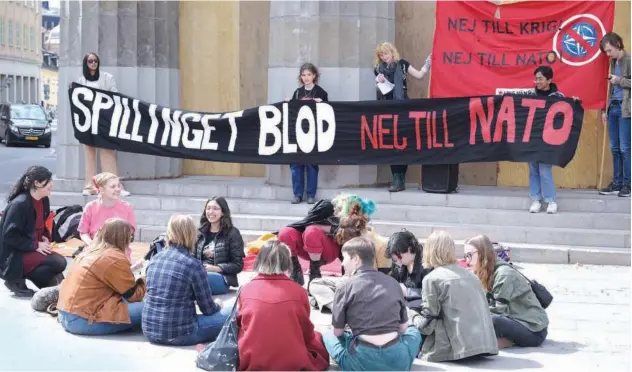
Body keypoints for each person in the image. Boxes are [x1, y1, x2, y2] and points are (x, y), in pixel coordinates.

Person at [322, 237, 422, 371]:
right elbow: (403, 329)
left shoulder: (345, 286)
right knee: (414, 332)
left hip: (360, 360)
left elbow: (338, 332)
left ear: (356, 259)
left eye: (344, 258)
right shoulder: (393, 283)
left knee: (329, 335)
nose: (342, 263)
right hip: (397, 359)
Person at [236, 240, 329, 371]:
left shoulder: (246, 289)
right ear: (287, 263)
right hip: (292, 359)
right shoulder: (299, 291)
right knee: (318, 338)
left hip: (253, 357)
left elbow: (241, 324)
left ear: (259, 260)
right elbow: (306, 332)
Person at [409, 231, 498, 362]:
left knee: (409, 322)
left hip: (455, 349)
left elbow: (427, 326)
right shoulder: (472, 276)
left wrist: (411, 315)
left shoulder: (432, 278)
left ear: (430, 250)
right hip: (485, 345)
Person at [142, 214, 231, 346]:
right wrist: (218, 304)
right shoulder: (193, 265)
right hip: (182, 333)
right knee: (234, 311)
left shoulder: (155, 259)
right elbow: (208, 309)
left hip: (149, 331)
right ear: (192, 235)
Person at [57, 218, 145, 335]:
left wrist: (132, 269)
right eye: (131, 238)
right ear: (123, 238)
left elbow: (105, 277)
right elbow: (134, 296)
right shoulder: (114, 257)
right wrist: (146, 276)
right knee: (153, 308)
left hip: (66, 314)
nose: (130, 242)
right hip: (82, 320)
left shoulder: (90, 250)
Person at [464, 234, 549, 348]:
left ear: (483, 253)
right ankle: (500, 340)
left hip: (533, 330)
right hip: (514, 320)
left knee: (492, 321)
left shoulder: (504, 274)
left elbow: (497, 310)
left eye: (469, 255)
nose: (467, 261)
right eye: (465, 256)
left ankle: (501, 341)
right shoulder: (487, 271)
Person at [374, 42, 431, 192]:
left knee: (403, 142)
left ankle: (400, 178)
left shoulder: (403, 64)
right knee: (392, 144)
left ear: (393, 52)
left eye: (386, 53)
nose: (384, 57)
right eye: (381, 55)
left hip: (403, 107)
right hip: (387, 108)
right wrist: (379, 80)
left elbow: (419, 75)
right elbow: (382, 90)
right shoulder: (378, 70)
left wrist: (427, 64)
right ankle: (396, 178)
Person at [0, 166, 66, 296]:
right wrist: (36, 245)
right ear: (36, 183)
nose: (52, 184)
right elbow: (10, 236)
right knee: (59, 262)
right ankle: (13, 278)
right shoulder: (20, 204)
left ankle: (34, 279)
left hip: (31, 248)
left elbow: (43, 224)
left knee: (58, 283)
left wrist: (45, 238)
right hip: (14, 255)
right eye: (48, 180)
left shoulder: (44, 200)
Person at [76, 52, 130, 197]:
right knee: (89, 153)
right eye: (90, 61)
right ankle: (90, 187)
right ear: (86, 64)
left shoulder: (107, 78)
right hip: (87, 122)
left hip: (104, 121)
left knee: (108, 153)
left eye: (95, 61)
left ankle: (115, 186)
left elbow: (115, 97)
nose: (93, 63)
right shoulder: (81, 81)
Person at [286, 63, 329, 205]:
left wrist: (322, 103)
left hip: (314, 133)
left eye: (309, 75)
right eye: (303, 75)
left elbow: (329, 114)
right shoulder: (298, 92)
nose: (306, 78)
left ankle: (311, 194)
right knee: (295, 164)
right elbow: (291, 113)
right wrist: (289, 103)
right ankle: (297, 194)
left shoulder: (321, 92)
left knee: (311, 164)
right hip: (298, 133)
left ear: (314, 76)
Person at [526, 65, 566, 214]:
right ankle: (536, 200)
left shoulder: (558, 97)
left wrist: (574, 102)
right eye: (535, 78)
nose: (537, 81)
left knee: (544, 169)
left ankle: (550, 200)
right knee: (533, 169)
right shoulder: (530, 95)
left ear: (549, 80)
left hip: (548, 139)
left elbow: (566, 113)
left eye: (540, 78)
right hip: (531, 138)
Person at [277, 199, 341, 286]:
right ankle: (295, 270)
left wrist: (319, 227)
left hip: (329, 251)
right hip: (308, 249)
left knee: (312, 231)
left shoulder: (340, 216)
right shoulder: (311, 219)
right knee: (285, 233)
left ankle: (315, 275)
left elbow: (344, 232)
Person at [599, 32, 631, 198]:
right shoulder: (611, 63)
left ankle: (628, 184)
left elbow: (623, 82)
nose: (608, 54)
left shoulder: (629, 60)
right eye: (606, 52)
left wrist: (618, 80)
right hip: (613, 109)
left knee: (626, 148)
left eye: (609, 50)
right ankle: (617, 183)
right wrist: (604, 109)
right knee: (615, 148)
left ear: (618, 44)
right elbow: (607, 89)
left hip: (626, 109)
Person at [78, 172, 137, 261]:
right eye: (113, 187)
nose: (117, 189)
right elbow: (83, 232)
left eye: (118, 186)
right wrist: (92, 245)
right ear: (102, 189)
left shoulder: (127, 207)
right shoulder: (90, 207)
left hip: (119, 253)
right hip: (95, 252)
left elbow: (130, 233)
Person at [194, 197, 245, 295]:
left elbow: (238, 265)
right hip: (199, 274)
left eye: (215, 208)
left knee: (203, 279)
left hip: (220, 277)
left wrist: (214, 268)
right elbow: (191, 257)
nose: (210, 211)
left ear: (223, 212)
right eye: (208, 208)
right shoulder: (199, 232)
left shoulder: (233, 233)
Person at [386, 230, 432, 311]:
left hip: (419, 312)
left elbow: (432, 296)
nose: (398, 262)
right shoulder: (399, 265)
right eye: (395, 259)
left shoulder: (427, 266)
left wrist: (408, 292)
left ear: (409, 250)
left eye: (400, 257)